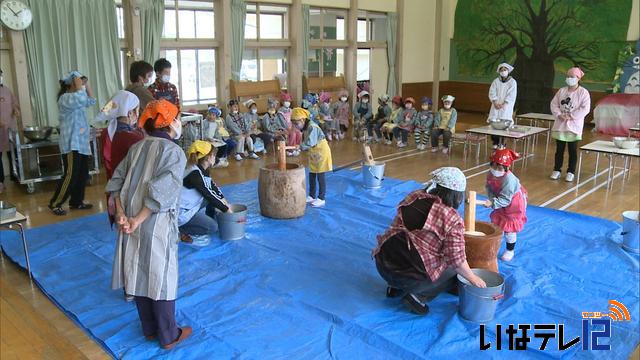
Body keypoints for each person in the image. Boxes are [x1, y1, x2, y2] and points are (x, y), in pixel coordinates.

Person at [106, 99, 191, 350]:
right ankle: (169, 335)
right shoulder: (174, 152)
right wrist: (136, 219)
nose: (179, 123)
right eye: (177, 118)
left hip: (129, 221)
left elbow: (116, 183)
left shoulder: (137, 148)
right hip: (153, 221)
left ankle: (150, 329)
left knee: (138, 269)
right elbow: (161, 193)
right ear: (169, 122)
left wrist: (122, 215)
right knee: (161, 274)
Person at [373, 167, 487, 315]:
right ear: (456, 195)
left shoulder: (414, 196)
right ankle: (418, 296)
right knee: (454, 271)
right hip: (409, 277)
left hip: (383, 265)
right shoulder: (451, 218)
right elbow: (457, 261)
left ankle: (394, 287)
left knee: (404, 246)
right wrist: (472, 277)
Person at [48, 71, 96, 216]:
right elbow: (80, 99)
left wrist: (86, 84)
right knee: (71, 174)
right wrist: (79, 85)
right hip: (71, 143)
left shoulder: (78, 97)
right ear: (70, 84)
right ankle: (55, 203)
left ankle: (76, 202)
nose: (80, 84)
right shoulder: (65, 98)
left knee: (82, 174)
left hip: (81, 143)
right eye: (77, 81)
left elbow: (91, 100)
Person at [97, 90, 144, 228]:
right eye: (137, 111)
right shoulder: (134, 138)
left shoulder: (106, 133)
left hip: (113, 190)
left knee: (123, 229)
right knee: (132, 228)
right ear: (130, 113)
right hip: (130, 192)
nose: (138, 115)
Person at [178, 140, 232, 246]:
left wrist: (224, 200)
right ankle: (178, 229)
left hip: (189, 205)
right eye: (214, 155)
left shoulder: (202, 168)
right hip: (181, 212)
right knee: (213, 227)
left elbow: (212, 187)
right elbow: (209, 194)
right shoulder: (194, 174)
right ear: (208, 157)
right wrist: (226, 209)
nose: (215, 158)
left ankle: (209, 218)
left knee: (214, 200)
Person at [483, 148, 528, 262]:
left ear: (506, 168)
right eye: (493, 166)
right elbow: (489, 187)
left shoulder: (509, 180)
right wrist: (491, 198)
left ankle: (510, 250)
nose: (495, 170)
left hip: (513, 204)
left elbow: (506, 199)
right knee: (497, 224)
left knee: (509, 228)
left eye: (499, 167)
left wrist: (493, 203)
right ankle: (494, 245)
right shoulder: (491, 174)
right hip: (500, 200)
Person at [549, 67, 591, 182]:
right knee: (559, 149)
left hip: (573, 126)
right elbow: (554, 104)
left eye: (572, 77)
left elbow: (585, 108)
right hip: (560, 125)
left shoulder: (583, 92)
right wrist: (559, 114)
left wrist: (571, 116)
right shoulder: (562, 91)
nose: (569, 79)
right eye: (568, 76)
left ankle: (571, 171)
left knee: (572, 150)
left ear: (578, 78)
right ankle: (557, 169)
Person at [291, 108, 333, 208]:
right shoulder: (306, 127)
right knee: (312, 173)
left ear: (302, 120)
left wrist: (300, 146)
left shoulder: (312, 127)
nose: (296, 127)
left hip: (321, 152)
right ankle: (311, 195)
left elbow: (310, 142)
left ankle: (321, 198)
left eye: (296, 124)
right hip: (314, 152)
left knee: (320, 175)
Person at [487, 63, 517, 148]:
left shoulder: (512, 82)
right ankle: (495, 142)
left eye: (505, 69)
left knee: (504, 124)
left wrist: (504, 104)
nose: (503, 71)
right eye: (501, 70)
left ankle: (502, 143)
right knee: (494, 124)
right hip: (495, 106)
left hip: (506, 107)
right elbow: (492, 92)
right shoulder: (495, 81)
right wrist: (495, 102)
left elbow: (511, 95)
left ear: (508, 71)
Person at [0, 69, 20, 192]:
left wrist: (16, 109)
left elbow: (14, 103)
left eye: (0, 74)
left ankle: (16, 176)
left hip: (9, 128)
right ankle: (0, 182)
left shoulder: (6, 90)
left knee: (13, 153)